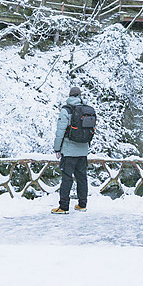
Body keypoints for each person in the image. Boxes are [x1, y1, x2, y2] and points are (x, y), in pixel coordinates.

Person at [51, 86, 89, 214]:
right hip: (83, 151)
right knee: (82, 178)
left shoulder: (66, 110)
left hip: (68, 151)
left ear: (69, 95)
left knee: (67, 179)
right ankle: (82, 204)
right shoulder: (86, 109)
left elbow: (60, 131)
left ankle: (63, 207)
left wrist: (57, 148)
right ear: (80, 96)